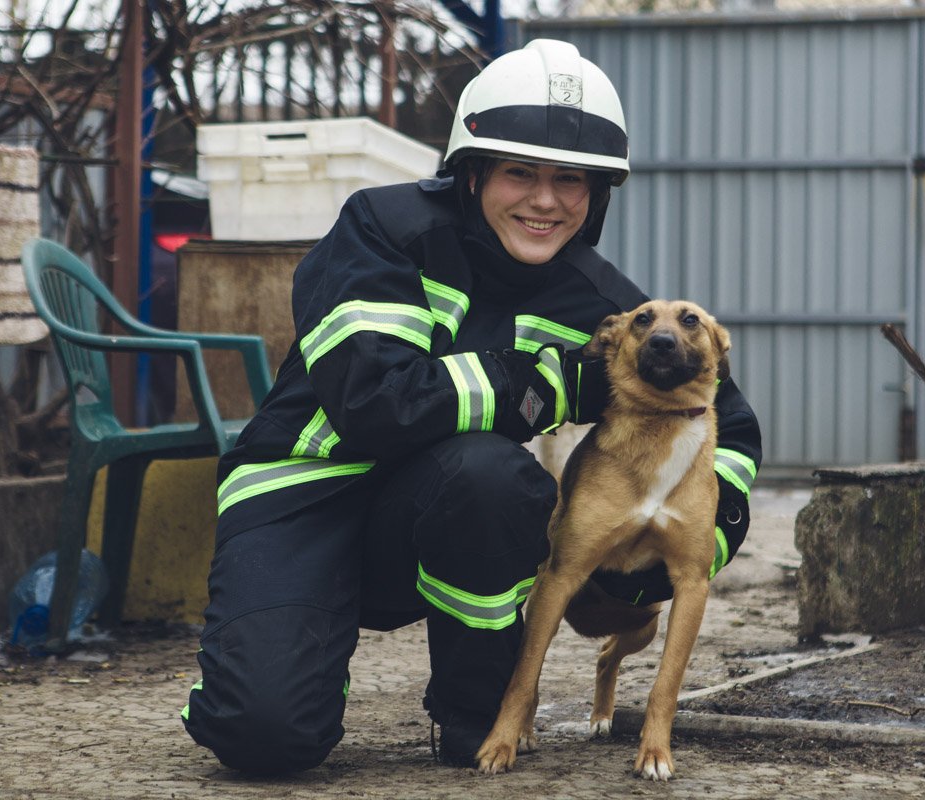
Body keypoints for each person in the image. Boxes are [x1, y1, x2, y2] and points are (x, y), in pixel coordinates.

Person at [180, 38, 762, 774]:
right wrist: (538, 387)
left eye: (571, 179)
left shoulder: (604, 305)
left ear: (598, 192)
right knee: (264, 738)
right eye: (520, 172)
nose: (546, 200)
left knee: (495, 479)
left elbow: (727, 421)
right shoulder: (381, 232)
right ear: (473, 170)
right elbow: (373, 403)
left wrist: (669, 554)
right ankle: (278, 648)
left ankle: (471, 709)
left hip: (439, 517)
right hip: (302, 496)